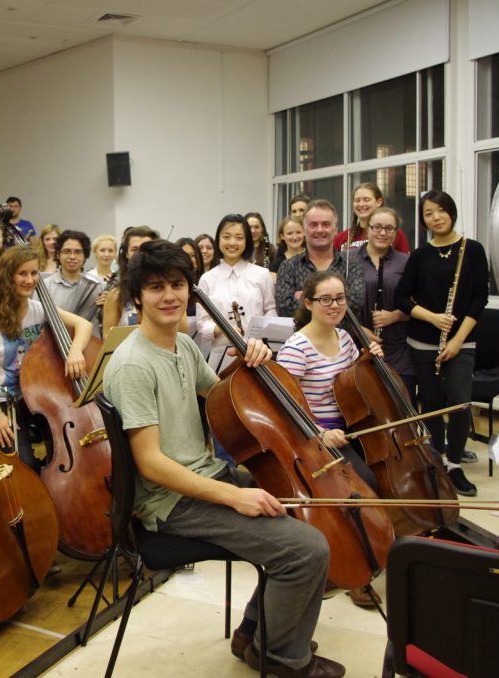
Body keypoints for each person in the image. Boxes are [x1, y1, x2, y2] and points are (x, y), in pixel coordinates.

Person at [103, 240, 342, 678]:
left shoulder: (182, 345)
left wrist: (250, 363)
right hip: (170, 502)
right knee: (307, 550)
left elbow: (226, 400)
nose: (170, 295)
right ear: (137, 297)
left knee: (313, 520)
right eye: (156, 287)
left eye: (177, 284)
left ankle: (255, 633)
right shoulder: (133, 365)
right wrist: (235, 497)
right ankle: (281, 658)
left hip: (207, 477)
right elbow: (151, 464)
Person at [276, 270, 382, 610]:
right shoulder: (297, 347)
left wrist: (370, 363)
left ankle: (365, 558)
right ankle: (354, 574)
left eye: (339, 298)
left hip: (347, 429)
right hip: (313, 436)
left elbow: (353, 386)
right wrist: (319, 431)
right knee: (359, 489)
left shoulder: (346, 339)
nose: (334, 305)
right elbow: (285, 404)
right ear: (309, 303)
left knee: (376, 480)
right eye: (325, 299)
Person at [395, 190, 488, 496]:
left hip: (461, 342)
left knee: (460, 404)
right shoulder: (420, 255)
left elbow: (479, 299)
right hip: (422, 342)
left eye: (440, 211)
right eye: (428, 214)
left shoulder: (472, 250)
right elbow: (402, 298)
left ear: (451, 211)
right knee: (432, 404)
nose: (435, 217)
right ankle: (437, 459)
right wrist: (433, 318)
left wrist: (458, 340)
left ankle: (455, 462)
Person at [0, 245, 92, 472]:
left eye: (34, 273)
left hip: (37, 396)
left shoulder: (39, 309)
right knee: (25, 464)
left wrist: (75, 351)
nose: (29, 279)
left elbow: (83, 324)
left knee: (69, 448)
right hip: (2, 399)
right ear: (8, 276)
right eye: (22, 274)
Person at [196, 214, 276, 372]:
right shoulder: (207, 279)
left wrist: (260, 334)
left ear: (247, 241)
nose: (232, 242)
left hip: (257, 354)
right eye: (226, 237)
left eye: (239, 237)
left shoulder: (262, 274)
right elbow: (202, 325)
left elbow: (270, 310)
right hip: (220, 355)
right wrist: (224, 328)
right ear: (218, 239)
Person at [275, 199, 364, 325]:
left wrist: (305, 297)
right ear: (305, 229)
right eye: (313, 225)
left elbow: (355, 304)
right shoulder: (288, 266)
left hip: (342, 342)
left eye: (326, 224)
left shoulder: (352, 264)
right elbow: (284, 308)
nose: (320, 230)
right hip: (304, 342)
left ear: (335, 230)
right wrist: (336, 300)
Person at [356, 207, 413, 397]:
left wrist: (395, 315)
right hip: (360, 345)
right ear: (368, 229)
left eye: (389, 228)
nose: (382, 233)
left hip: (398, 348)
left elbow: (417, 303)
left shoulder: (406, 262)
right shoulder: (348, 259)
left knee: (401, 403)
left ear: (396, 232)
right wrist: (359, 329)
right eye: (377, 227)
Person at [103, 226, 159, 335]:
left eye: (146, 249)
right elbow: (107, 338)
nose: (140, 254)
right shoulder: (116, 295)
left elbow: (182, 330)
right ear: (126, 254)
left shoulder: (167, 292)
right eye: (134, 249)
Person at [45, 230, 104, 326]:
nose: (72, 256)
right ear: (58, 254)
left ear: (85, 256)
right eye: (66, 251)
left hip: (92, 340)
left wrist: (108, 305)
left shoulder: (97, 285)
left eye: (78, 252)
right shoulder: (46, 286)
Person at [333, 183, 409, 254]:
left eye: (366, 200)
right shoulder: (340, 239)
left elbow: (404, 265)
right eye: (357, 200)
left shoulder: (394, 234)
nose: (361, 204)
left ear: (379, 202)